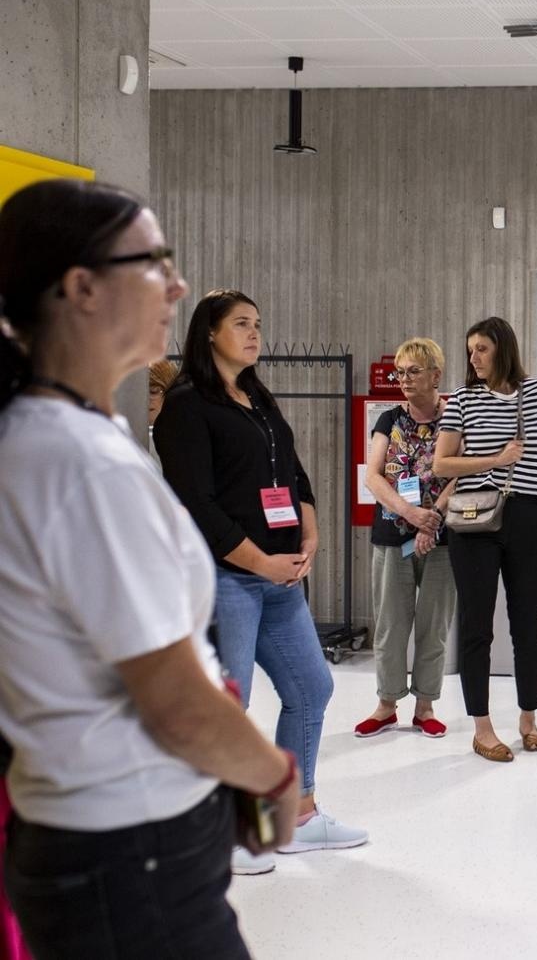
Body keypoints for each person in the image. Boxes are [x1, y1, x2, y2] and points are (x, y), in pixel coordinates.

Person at [0, 180, 298, 955]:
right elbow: (175, 701)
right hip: (130, 849)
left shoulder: (50, 437)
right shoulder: (80, 463)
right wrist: (272, 774)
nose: (178, 284)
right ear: (81, 288)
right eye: (154, 262)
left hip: (95, 836)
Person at [157, 289, 367, 873]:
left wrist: (311, 535)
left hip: (280, 576)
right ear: (208, 334)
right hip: (228, 579)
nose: (255, 333)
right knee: (230, 704)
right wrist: (259, 561)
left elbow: (294, 474)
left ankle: (292, 817)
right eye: (241, 324)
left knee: (311, 690)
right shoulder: (186, 406)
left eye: (258, 324)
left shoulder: (257, 398)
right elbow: (196, 503)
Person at [433, 317, 537, 762]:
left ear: (503, 348)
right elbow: (442, 465)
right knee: (476, 627)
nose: (474, 357)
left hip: (530, 515)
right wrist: (494, 458)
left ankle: (528, 718)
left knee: (530, 625)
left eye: (482, 349)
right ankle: (482, 727)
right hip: (474, 517)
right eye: (470, 350)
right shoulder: (462, 401)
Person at [356, 338, 458, 741]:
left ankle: (426, 705)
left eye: (413, 371)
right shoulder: (389, 421)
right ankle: (386, 704)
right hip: (391, 535)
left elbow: (460, 473)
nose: (404, 379)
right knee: (391, 623)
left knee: (434, 625)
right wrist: (410, 513)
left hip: (442, 538)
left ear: (436, 374)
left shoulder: (455, 420)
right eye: (400, 372)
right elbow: (373, 475)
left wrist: (430, 521)